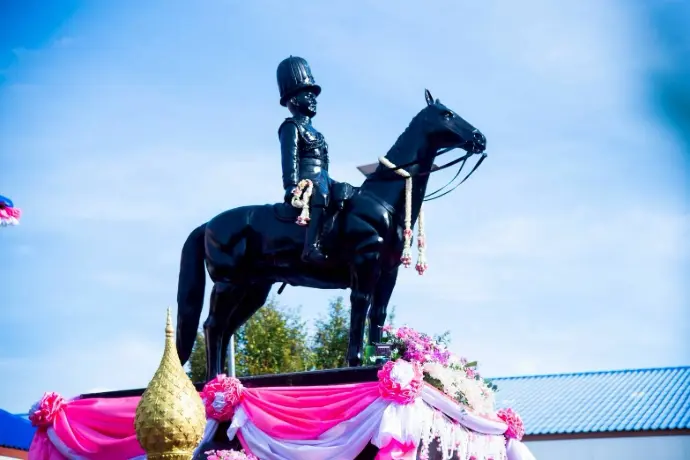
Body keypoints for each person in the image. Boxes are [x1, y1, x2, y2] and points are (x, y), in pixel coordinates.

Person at [276, 56, 335, 265]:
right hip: (307, 181)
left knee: (346, 192)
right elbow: (290, 157)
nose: (313, 99)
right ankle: (310, 247)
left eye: (314, 95)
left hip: (324, 178)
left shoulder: (317, 133)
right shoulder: (291, 126)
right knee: (321, 193)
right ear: (293, 100)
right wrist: (291, 186)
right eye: (307, 94)